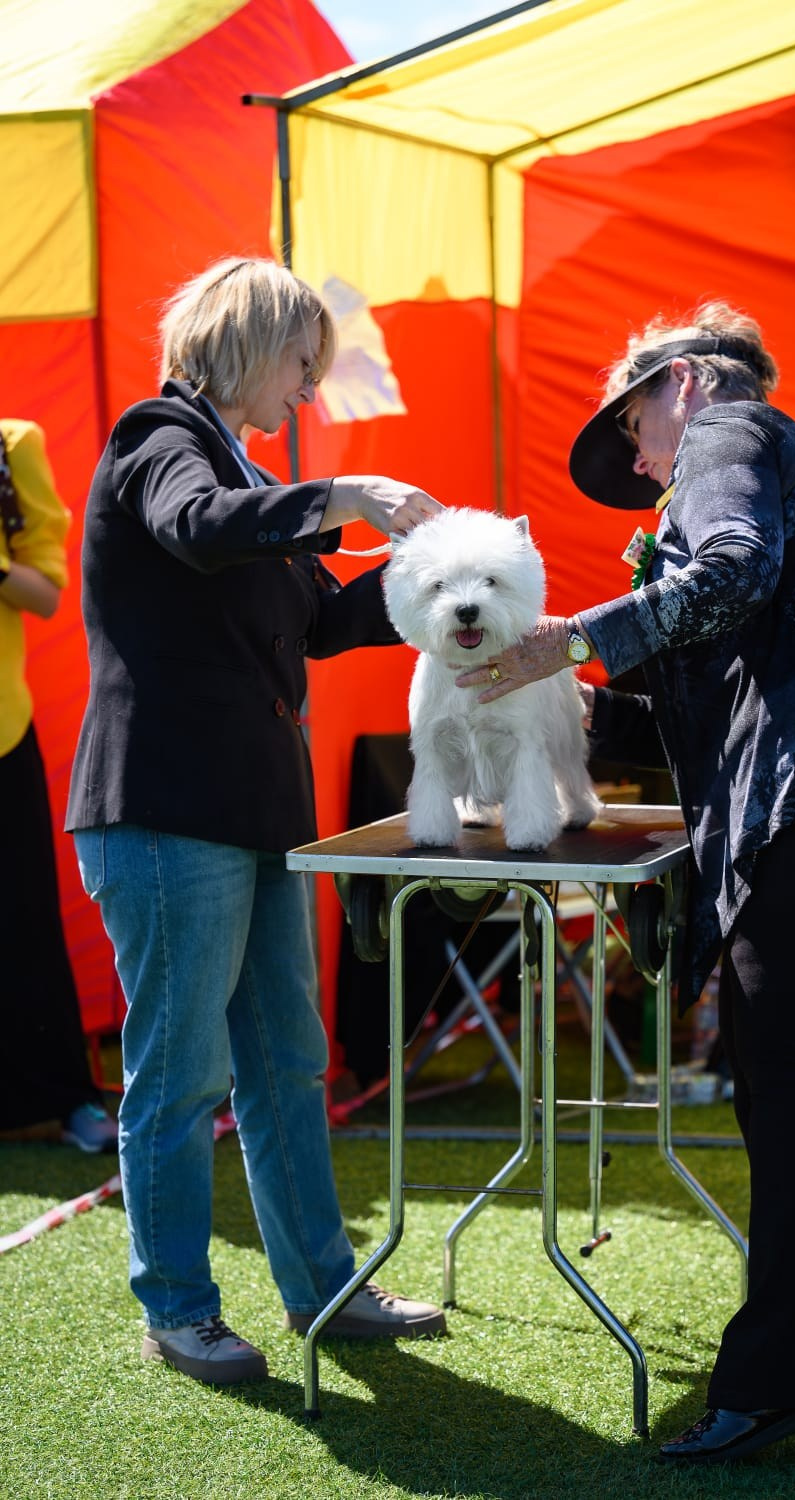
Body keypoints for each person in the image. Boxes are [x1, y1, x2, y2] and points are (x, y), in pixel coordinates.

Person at [458, 301, 795, 1463]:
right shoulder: (739, 458)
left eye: (634, 428)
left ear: (683, 383)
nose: (641, 462)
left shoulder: (728, 431)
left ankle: (780, 1376)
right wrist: (573, 701)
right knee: (787, 1077)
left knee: (783, 1079)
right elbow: (713, 695)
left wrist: (559, 641)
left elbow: (732, 573)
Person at [66, 257, 448, 1387]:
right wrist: (344, 497)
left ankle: (323, 1287)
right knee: (179, 1080)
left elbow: (320, 624)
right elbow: (196, 526)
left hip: (255, 811)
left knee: (288, 1065)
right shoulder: (158, 438)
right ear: (250, 342)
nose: (307, 391)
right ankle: (178, 1308)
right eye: (301, 364)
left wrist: (453, 584)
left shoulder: (244, 466)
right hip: (167, 809)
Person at [0, 419, 118, 1154]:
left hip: (2, 731)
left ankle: (62, 1100)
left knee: (21, 923)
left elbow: (45, 592)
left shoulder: (13, 444)